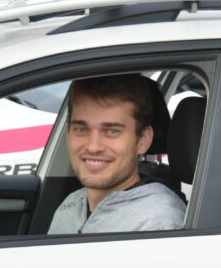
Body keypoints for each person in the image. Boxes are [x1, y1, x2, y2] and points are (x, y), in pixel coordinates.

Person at [48, 74, 187, 234]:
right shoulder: (71, 204)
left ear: (143, 140)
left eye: (112, 131)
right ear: (68, 133)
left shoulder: (157, 223)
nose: (93, 147)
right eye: (81, 129)